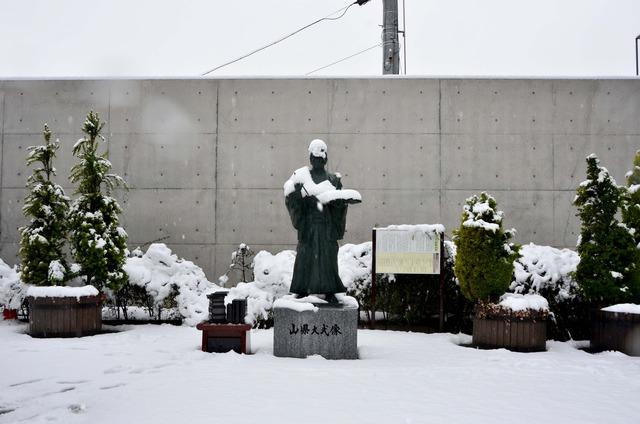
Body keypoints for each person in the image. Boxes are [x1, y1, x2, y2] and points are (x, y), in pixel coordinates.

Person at [284, 140, 349, 304]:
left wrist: (338, 203)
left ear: (325, 158)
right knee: (305, 256)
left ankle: (329, 290)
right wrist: (298, 196)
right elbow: (291, 197)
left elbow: (339, 202)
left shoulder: (333, 179)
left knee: (328, 258)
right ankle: (302, 289)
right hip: (309, 225)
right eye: (315, 157)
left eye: (321, 157)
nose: (318, 160)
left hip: (327, 226)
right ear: (311, 158)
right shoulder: (302, 177)